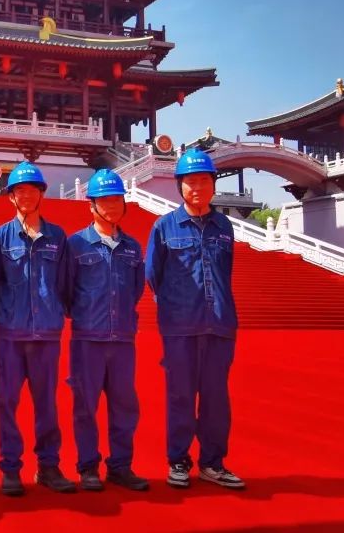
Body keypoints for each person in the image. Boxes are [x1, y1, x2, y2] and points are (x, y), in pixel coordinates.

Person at [145, 148, 246, 490]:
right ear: (180, 186)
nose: (198, 187)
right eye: (191, 182)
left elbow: (225, 271)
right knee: (181, 396)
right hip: (179, 327)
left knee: (216, 399)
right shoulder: (164, 226)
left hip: (219, 324)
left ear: (214, 185)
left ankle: (213, 463)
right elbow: (153, 274)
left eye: (204, 180)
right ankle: (178, 460)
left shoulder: (224, 226)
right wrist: (176, 305)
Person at [0, 161, 75, 496]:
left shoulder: (58, 237)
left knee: (47, 404)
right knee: (7, 403)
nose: (25, 195)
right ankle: (10, 468)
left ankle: (48, 466)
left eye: (31, 189)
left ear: (41, 194)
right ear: (10, 196)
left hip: (47, 335)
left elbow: (65, 282)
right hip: (10, 334)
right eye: (19, 190)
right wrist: (4, 315)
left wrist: (55, 312)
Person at [66, 169, 149, 492]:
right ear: (91, 205)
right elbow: (65, 289)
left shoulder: (131, 247)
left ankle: (121, 466)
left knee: (125, 405)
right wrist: (87, 315)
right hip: (88, 338)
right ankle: (88, 467)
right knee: (85, 405)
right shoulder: (76, 245)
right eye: (104, 201)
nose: (112, 206)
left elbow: (136, 288)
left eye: (117, 199)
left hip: (123, 338)